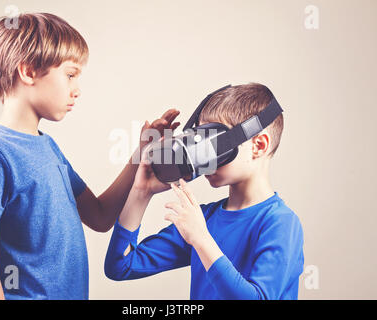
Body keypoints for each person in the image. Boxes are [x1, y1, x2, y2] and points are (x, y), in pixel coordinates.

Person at [0, 12, 180, 300]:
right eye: (70, 75)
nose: (77, 90)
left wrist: (140, 154)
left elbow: (100, 216)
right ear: (28, 71)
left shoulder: (49, 147)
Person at [104, 83, 304, 299]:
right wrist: (141, 192)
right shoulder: (203, 219)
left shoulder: (279, 223)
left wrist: (201, 239)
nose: (203, 157)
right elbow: (121, 266)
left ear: (259, 145)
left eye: (214, 142)